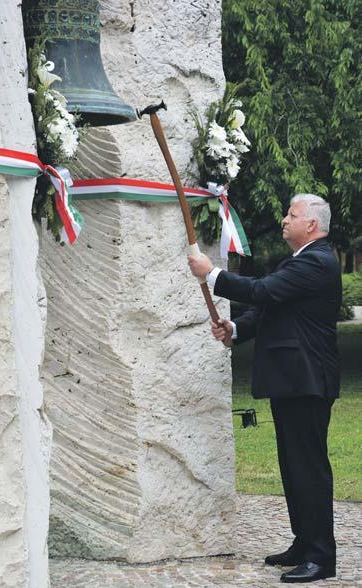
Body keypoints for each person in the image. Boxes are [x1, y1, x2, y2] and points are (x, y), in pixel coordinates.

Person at [188, 194, 341, 584]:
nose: (284, 219)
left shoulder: (318, 260)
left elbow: (264, 291)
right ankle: (304, 542)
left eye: (292, 215)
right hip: (292, 380)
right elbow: (273, 307)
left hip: (308, 380)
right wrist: (237, 329)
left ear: (312, 224)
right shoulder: (297, 261)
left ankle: (322, 557)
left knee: (309, 469)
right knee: (293, 467)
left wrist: (213, 275)